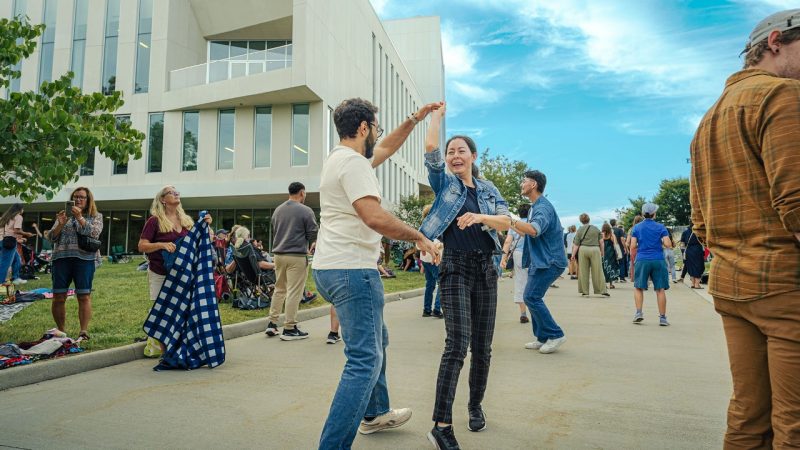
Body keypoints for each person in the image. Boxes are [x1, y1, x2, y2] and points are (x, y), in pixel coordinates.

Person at [690, 10, 800, 447]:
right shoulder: (784, 95)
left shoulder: (709, 118)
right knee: (794, 422)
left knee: (748, 416)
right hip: (785, 286)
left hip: (733, 285)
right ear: (776, 41)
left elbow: (700, 221)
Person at [312, 97, 441, 450]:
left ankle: (376, 413)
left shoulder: (339, 158)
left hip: (329, 268)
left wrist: (414, 119)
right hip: (352, 271)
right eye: (376, 128)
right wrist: (421, 238)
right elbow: (374, 217)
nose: (378, 136)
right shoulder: (353, 164)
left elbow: (386, 147)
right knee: (364, 359)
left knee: (376, 341)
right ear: (364, 127)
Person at [419, 105, 510, 450]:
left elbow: (507, 220)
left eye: (461, 151)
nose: (455, 156)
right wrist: (436, 118)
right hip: (455, 266)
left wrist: (480, 217)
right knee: (457, 345)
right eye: (450, 151)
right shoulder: (445, 184)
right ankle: (441, 425)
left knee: (483, 349)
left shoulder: (487, 189)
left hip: (486, 268)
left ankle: (475, 405)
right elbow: (430, 153)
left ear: (473, 156)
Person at [512, 171, 568, 356]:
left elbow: (534, 230)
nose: (522, 184)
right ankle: (542, 337)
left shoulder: (543, 207)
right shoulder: (535, 206)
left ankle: (555, 334)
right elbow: (526, 231)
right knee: (533, 297)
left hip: (550, 260)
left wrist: (509, 220)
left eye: (524, 181)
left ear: (533, 184)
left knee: (531, 297)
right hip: (541, 260)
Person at [264, 181, 318, 341]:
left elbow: (275, 229)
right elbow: (313, 232)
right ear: (302, 193)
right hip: (296, 255)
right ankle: (290, 327)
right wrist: (311, 243)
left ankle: (272, 324)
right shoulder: (306, 210)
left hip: (278, 255)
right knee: (294, 291)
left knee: (279, 289)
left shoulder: (278, 210)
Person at [47, 187, 103, 339]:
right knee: (58, 296)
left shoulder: (95, 216)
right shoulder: (64, 215)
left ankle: (83, 331)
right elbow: (51, 237)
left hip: (84, 259)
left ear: (88, 200)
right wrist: (59, 224)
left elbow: (94, 233)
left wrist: (79, 217)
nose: (78, 200)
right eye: (75, 197)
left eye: (82, 197)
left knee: (83, 295)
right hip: (61, 259)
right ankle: (60, 331)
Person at [630, 203, 672, 326]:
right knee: (660, 289)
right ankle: (663, 318)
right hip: (658, 259)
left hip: (642, 259)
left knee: (638, 287)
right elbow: (668, 244)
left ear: (643, 214)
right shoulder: (661, 227)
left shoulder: (636, 228)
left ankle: (638, 313)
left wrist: (642, 246)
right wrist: (660, 243)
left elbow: (632, 246)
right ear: (654, 213)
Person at [501, 203, 531, 323]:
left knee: (520, 281)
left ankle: (523, 313)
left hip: (518, 254)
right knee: (534, 281)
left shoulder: (515, 225)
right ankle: (536, 312)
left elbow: (508, 242)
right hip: (533, 255)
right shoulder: (531, 225)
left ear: (519, 213)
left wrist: (504, 257)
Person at [571, 214, 608, 297]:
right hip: (595, 249)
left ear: (581, 221)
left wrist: (573, 254)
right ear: (589, 219)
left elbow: (576, 244)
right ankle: (602, 290)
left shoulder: (580, 230)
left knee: (583, 271)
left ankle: (585, 291)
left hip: (583, 249)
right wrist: (602, 252)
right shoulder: (596, 229)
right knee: (598, 270)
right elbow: (601, 242)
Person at [420, 205, 443, 318]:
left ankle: (427, 309)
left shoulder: (423, 226)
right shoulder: (434, 225)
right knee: (441, 283)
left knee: (430, 284)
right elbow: (436, 242)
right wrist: (441, 244)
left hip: (425, 260)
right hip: (434, 258)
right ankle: (437, 309)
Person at [0, 203, 28, 286]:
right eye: (23, 209)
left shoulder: (4, 218)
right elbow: (16, 230)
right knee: (5, 263)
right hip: (9, 242)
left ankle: (15, 278)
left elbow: (8, 231)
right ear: (19, 209)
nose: (23, 210)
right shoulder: (18, 216)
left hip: (3, 241)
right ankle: (1, 282)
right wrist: (27, 234)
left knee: (17, 259)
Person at [679, 224, 704, 289]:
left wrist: (683, 252)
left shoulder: (685, 232)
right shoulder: (699, 232)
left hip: (688, 250)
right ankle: (697, 284)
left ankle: (693, 284)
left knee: (691, 266)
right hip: (697, 250)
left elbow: (682, 243)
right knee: (699, 266)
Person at [601, 223, 621, 290]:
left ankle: (604, 284)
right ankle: (611, 284)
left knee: (604, 268)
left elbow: (600, 243)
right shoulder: (611, 235)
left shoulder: (601, 235)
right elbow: (615, 244)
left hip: (604, 253)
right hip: (611, 253)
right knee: (611, 267)